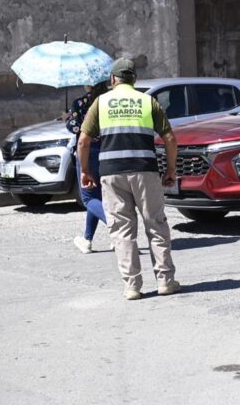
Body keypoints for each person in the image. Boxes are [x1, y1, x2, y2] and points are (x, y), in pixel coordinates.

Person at [77, 58, 180, 300]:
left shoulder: (100, 103)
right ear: (134, 79)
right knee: (155, 224)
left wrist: (84, 171)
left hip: (112, 173)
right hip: (145, 170)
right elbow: (170, 139)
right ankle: (166, 281)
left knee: (122, 230)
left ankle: (132, 286)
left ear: (113, 79)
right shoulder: (148, 101)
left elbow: (83, 141)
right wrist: (171, 170)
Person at [66, 81, 109, 254]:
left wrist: (67, 120)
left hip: (87, 151)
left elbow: (75, 127)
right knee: (97, 196)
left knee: (88, 198)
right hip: (106, 150)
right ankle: (87, 239)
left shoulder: (80, 103)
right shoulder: (108, 100)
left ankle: (117, 229)